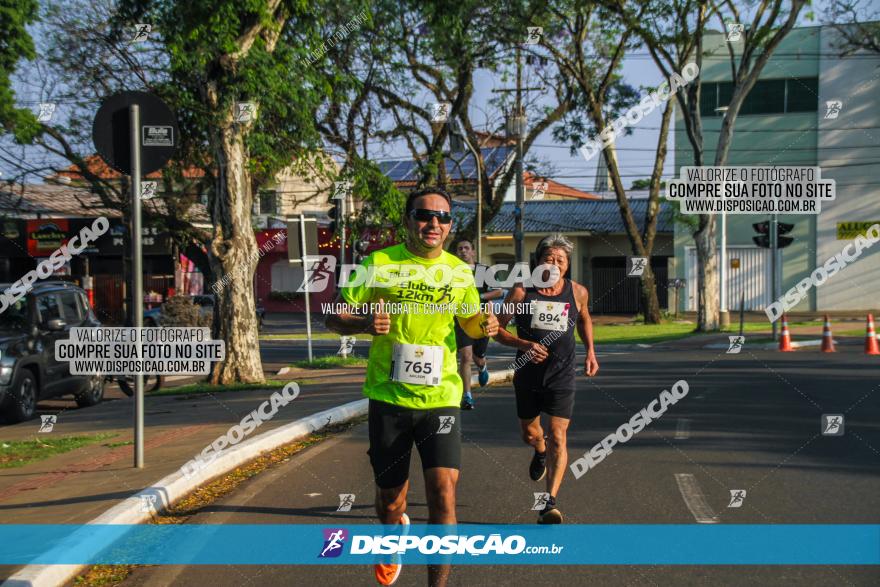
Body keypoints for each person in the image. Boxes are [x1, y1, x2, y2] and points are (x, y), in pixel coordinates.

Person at [325, 187, 499, 586]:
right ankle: (391, 534)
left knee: (443, 495)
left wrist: (485, 324)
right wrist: (365, 324)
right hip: (390, 398)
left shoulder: (458, 272)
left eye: (443, 217)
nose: (433, 223)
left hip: (441, 398)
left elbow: (470, 323)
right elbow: (334, 316)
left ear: (451, 225)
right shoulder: (379, 263)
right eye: (424, 215)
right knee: (390, 501)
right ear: (408, 220)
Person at [494, 233, 599, 524]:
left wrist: (590, 351)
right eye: (548, 258)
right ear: (538, 262)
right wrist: (524, 345)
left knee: (559, 436)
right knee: (531, 434)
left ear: (567, 265)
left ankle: (549, 502)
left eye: (560, 260)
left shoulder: (577, 292)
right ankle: (538, 450)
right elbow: (496, 329)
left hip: (562, 374)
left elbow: (584, 318)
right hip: (528, 372)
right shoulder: (521, 291)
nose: (554, 264)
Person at [453, 239, 503, 409]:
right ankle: (467, 396)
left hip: (481, 319)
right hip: (461, 319)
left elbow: (499, 291)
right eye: (460, 248)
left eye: (466, 248)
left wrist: (479, 298)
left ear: (473, 252)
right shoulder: (453, 271)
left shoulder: (483, 270)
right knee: (465, 356)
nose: (463, 251)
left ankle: (482, 367)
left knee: (477, 357)